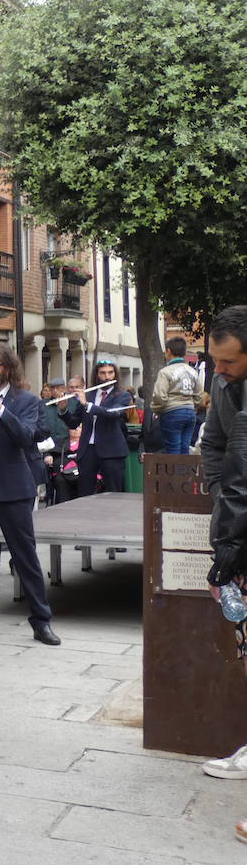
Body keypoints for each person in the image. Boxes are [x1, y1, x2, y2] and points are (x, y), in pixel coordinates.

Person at [0, 343, 61, 646]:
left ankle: (41, 619)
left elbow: (28, 436)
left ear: (7, 368)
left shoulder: (25, 400)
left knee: (25, 556)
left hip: (12, 486)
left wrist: (0, 412)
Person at [197, 306, 247, 794]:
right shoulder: (221, 385)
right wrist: (219, 492)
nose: (218, 370)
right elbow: (213, 445)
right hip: (238, 522)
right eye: (216, 360)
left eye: (229, 362)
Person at [59, 361, 132, 495]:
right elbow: (74, 423)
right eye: (103, 373)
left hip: (111, 451)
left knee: (114, 492)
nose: (107, 377)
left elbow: (112, 413)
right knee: (85, 491)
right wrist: (64, 410)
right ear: (97, 375)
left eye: (110, 373)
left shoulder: (122, 395)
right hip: (87, 450)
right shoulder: (89, 394)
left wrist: (87, 405)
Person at [151, 337, 204, 455]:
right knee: (185, 449)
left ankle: (175, 473)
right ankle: (184, 473)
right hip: (190, 413)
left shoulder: (165, 372)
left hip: (172, 412)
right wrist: (192, 406)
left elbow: (159, 396)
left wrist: (157, 410)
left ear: (168, 351)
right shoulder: (192, 371)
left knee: (173, 451)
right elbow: (199, 395)